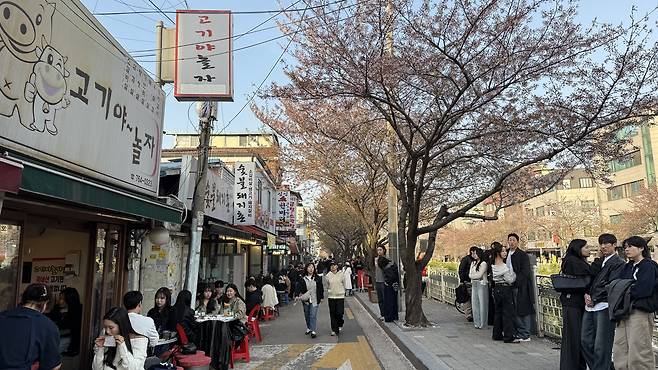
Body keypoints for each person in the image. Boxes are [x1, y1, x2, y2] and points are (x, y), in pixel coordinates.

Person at [612, 236, 658, 370]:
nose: (627, 249)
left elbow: (644, 289)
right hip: (624, 310)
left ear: (641, 248)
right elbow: (617, 284)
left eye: (630, 246)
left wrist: (625, 290)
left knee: (639, 348)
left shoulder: (649, 266)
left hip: (640, 310)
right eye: (625, 247)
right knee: (621, 347)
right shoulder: (628, 266)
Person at [582, 233, 623, 370]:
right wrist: (587, 294)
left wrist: (594, 298)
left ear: (614, 245)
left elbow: (612, 286)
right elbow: (591, 279)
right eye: (601, 243)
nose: (603, 246)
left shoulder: (618, 263)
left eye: (607, 243)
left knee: (602, 345)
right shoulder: (600, 261)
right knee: (585, 341)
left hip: (604, 306)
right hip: (590, 306)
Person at [0, 284, 62, 370]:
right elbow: (53, 366)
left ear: (24, 299)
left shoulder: (2, 316)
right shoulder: (47, 326)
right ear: (46, 303)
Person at [558, 239, 592, 370]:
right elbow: (586, 278)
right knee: (574, 336)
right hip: (574, 303)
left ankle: (574, 364)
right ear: (578, 249)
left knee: (573, 336)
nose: (588, 249)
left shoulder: (571, 260)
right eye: (586, 247)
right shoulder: (574, 262)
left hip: (571, 302)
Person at [507, 233, 534, 341]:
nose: (511, 242)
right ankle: (519, 331)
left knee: (523, 310)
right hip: (509, 285)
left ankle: (525, 333)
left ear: (517, 242)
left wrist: (517, 281)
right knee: (514, 310)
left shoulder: (522, 255)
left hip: (520, 286)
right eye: (510, 240)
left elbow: (525, 271)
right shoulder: (507, 253)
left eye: (513, 240)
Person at [490, 242, 518, 343]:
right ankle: (508, 336)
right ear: (498, 253)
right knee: (507, 313)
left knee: (498, 313)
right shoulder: (503, 267)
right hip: (505, 290)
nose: (505, 253)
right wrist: (514, 274)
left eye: (505, 251)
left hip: (497, 290)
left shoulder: (493, 265)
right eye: (502, 251)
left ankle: (496, 334)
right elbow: (510, 280)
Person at [48, 287, 82, 356]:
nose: (59, 301)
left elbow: (72, 329)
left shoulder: (78, 312)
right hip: (54, 337)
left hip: (69, 339)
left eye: (62, 299)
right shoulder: (56, 309)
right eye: (59, 298)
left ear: (69, 300)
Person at [295, 262, 324, 338]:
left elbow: (321, 288)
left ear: (314, 269)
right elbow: (298, 287)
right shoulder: (303, 278)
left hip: (315, 299)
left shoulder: (317, 278)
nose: (311, 269)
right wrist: (297, 295)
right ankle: (309, 327)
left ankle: (313, 331)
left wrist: (321, 297)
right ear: (306, 269)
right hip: (306, 299)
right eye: (309, 267)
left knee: (313, 315)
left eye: (312, 267)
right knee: (307, 314)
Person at [468, 246, 488, 329]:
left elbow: (480, 275)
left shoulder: (483, 263)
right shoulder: (473, 263)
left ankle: (483, 323)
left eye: (475, 253)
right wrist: (473, 276)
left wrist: (473, 276)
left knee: (482, 304)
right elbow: (470, 274)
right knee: (474, 303)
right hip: (474, 283)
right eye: (473, 253)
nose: (474, 255)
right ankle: (476, 322)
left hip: (482, 283)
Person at [326, 261, 346, 336]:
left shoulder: (341, 274)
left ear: (337, 266)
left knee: (339, 312)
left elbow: (344, 283)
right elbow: (327, 285)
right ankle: (334, 329)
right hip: (331, 296)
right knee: (332, 313)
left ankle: (340, 322)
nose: (333, 267)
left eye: (334, 265)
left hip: (340, 296)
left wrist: (344, 291)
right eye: (331, 266)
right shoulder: (328, 275)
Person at [377, 255, 400, 322]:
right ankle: (395, 316)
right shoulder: (392, 264)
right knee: (394, 301)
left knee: (389, 302)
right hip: (395, 285)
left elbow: (390, 277)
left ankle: (389, 317)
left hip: (390, 286)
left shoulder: (387, 268)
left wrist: (387, 282)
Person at [458, 250, 474, 322]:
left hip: (473, 281)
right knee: (467, 298)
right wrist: (462, 280)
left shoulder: (475, 260)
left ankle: (472, 314)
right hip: (467, 281)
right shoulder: (466, 259)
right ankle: (468, 314)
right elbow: (461, 270)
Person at [374, 246, 388, 320]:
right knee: (380, 299)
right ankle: (382, 314)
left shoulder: (386, 259)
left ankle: (386, 314)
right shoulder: (376, 259)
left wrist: (376, 262)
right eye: (378, 250)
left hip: (383, 281)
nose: (379, 251)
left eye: (380, 250)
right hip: (378, 281)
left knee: (385, 298)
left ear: (384, 250)